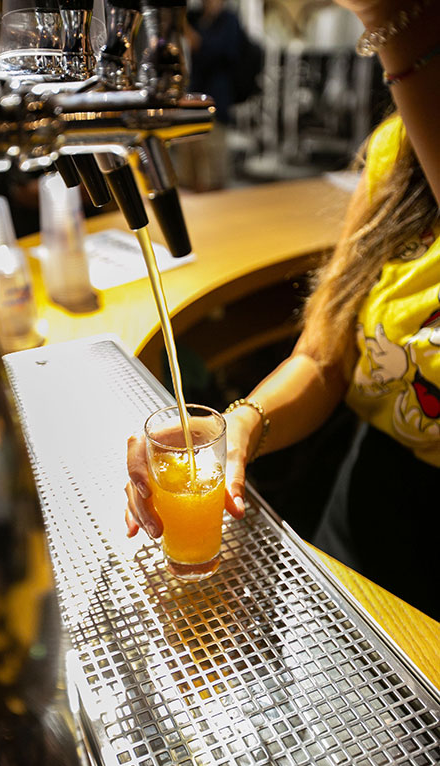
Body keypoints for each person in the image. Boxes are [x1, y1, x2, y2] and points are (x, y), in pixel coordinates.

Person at [126, 0, 440, 621]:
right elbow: (324, 359)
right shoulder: (397, 149)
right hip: (372, 492)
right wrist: (239, 427)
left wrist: (398, 21)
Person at [175, 0, 243, 192]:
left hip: (216, 105)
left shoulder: (228, 21)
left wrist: (190, 34)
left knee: (212, 175)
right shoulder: (194, 18)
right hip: (190, 103)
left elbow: (220, 53)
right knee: (187, 174)